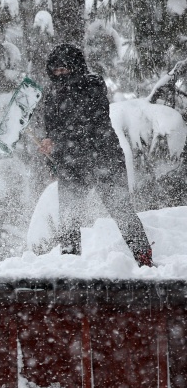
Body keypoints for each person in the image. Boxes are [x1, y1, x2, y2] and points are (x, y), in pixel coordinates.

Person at [36, 44, 154, 266]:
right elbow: (53, 131)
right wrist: (49, 146)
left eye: (65, 70)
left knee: (121, 210)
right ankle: (70, 266)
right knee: (69, 218)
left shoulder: (92, 86)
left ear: (76, 67)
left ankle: (144, 258)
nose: (60, 75)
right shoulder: (51, 96)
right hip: (71, 164)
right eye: (56, 71)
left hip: (104, 159)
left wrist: (58, 140)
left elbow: (89, 125)